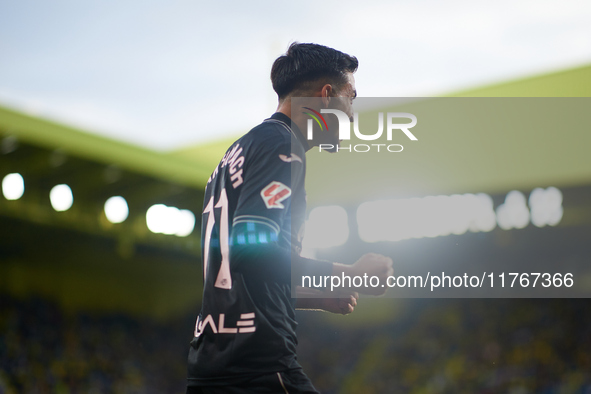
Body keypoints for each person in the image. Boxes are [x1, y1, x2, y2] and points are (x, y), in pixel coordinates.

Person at [187, 42, 393, 394]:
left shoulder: (241, 150)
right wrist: (348, 274)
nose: (353, 114)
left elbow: (240, 271)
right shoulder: (282, 145)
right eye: (352, 98)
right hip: (257, 369)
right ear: (327, 96)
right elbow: (252, 252)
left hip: (215, 366)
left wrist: (316, 295)